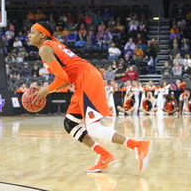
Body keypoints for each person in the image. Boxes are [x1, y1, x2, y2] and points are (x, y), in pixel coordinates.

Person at [28, 22, 152, 173]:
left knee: (93, 128)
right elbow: (66, 78)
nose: (29, 35)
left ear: (42, 35)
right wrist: (49, 90)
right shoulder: (51, 45)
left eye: (32, 32)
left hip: (86, 78)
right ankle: (104, 155)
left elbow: (61, 76)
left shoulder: (45, 49)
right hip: (81, 80)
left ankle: (139, 145)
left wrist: (47, 90)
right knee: (70, 124)